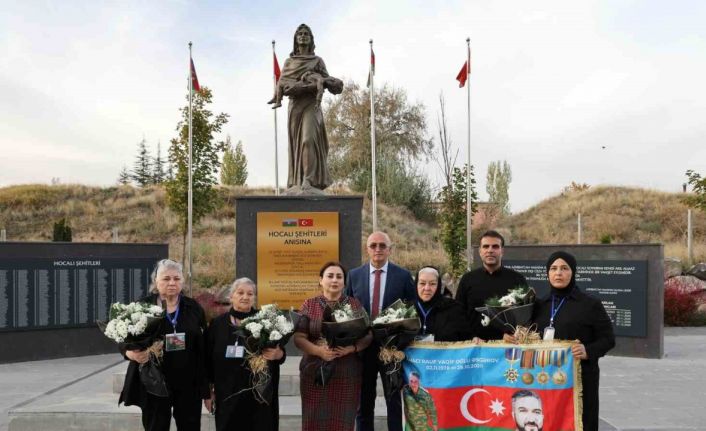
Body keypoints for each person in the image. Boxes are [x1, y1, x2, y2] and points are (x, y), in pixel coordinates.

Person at [507, 251, 615, 431]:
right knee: (552, 421)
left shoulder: (590, 304)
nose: (558, 273)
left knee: (581, 422)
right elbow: (530, 338)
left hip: (580, 380)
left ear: (573, 272)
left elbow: (608, 339)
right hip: (547, 379)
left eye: (564, 268)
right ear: (547, 274)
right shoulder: (539, 305)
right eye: (554, 269)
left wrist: (587, 350)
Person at [119, 259, 209, 431]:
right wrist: (130, 354)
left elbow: (202, 348)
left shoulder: (193, 308)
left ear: (183, 281)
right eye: (166, 278)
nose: (172, 283)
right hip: (154, 381)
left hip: (188, 383)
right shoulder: (142, 306)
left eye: (176, 278)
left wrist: (205, 387)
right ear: (156, 282)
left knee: (190, 426)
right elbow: (122, 336)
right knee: (156, 426)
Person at [346, 231, 416, 431]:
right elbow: (347, 308)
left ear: (390, 249)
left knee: (393, 400)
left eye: (382, 246)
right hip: (363, 348)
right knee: (364, 401)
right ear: (367, 249)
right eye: (373, 245)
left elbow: (411, 309)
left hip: (391, 349)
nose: (378, 249)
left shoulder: (402, 276)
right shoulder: (354, 275)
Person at [294, 261, 372, 431]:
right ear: (321, 280)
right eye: (330, 276)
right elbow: (299, 337)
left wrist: (352, 348)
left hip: (346, 373)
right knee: (313, 420)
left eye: (339, 276)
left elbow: (368, 335)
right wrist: (318, 351)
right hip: (314, 373)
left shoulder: (354, 305)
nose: (334, 280)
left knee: (342, 422)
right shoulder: (310, 304)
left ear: (344, 282)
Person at [267, 23, 343, 193]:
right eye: (299, 34)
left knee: (308, 140)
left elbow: (326, 82)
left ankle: (309, 180)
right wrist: (294, 89)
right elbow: (284, 86)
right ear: (295, 39)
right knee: (296, 145)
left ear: (311, 39)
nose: (302, 36)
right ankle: (298, 181)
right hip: (295, 106)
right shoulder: (289, 62)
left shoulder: (318, 61)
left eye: (306, 33)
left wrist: (332, 84)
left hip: (312, 104)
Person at [205, 278, 285, 431]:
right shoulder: (218, 324)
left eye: (250, 293)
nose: (245, 297)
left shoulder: (266, 322)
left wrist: (278, 354)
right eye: (240, 292)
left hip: (259, 395)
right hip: (228, 394)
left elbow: (281, 353)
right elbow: (208, 361)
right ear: (231, 296)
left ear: (254, 298)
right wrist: (208, 392)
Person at [455, 230, 528, 340]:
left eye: (495, 247)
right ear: (480, 251)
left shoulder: (517, 279)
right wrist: (471, 336)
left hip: (508, 344)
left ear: (502, 251)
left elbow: (525, 314)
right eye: (486, 246)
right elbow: (458, 314)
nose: (490, 250)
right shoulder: (467, 279)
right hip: (474, 345)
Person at [414, 266, 474, 342]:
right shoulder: (405, 309)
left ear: (439, 285)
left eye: (432, 284)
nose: (427, 288)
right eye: (422, 283)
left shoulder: (454, 308)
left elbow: (466, 338)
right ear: (416, 284)